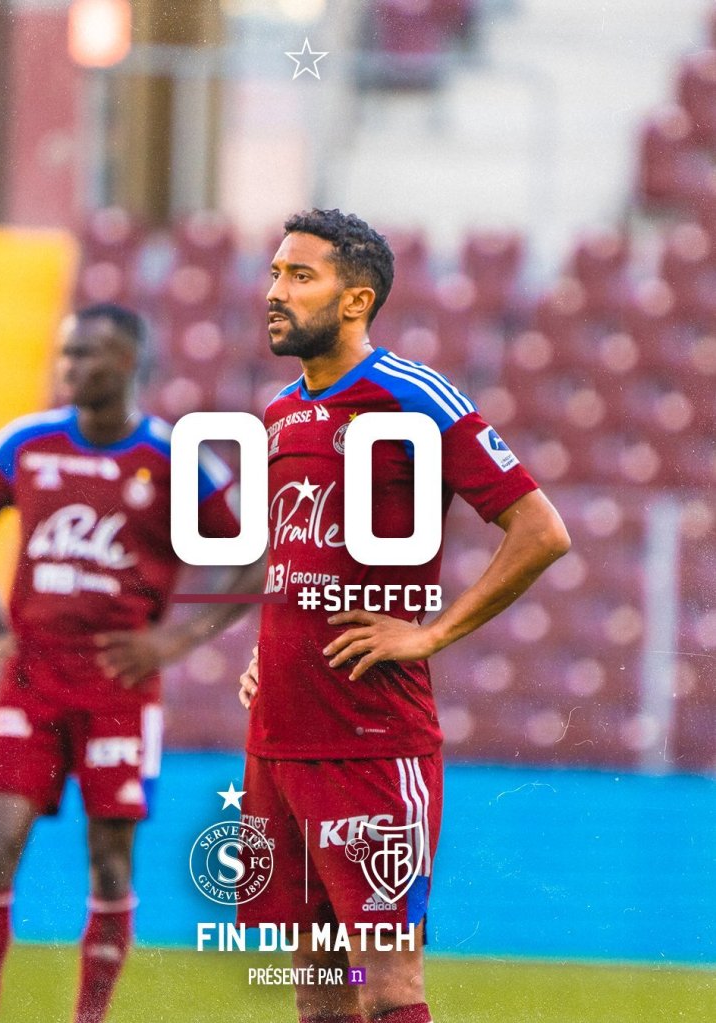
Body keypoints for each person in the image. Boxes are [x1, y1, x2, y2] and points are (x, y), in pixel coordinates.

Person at [238, 209, 571, 1023]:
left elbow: (541, 531)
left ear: (355, 300)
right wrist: (265, 652)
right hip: (280, 735)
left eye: (299, 276)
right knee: (318, 993)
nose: (275, 291)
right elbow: (295, 556)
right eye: (275, 272)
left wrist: (431, 633)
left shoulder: (411, 396)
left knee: (388, 986)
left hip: (370, 740)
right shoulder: (279, 411)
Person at [0, 302, 256, 1023]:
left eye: (85, 353)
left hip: (119, 688)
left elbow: (252, 555)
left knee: (111, 862)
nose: (69, 366)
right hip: (29, 682)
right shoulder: (24, 444)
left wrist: (176, 640)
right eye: (66, 352)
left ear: (125, 362)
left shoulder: (176, 459)